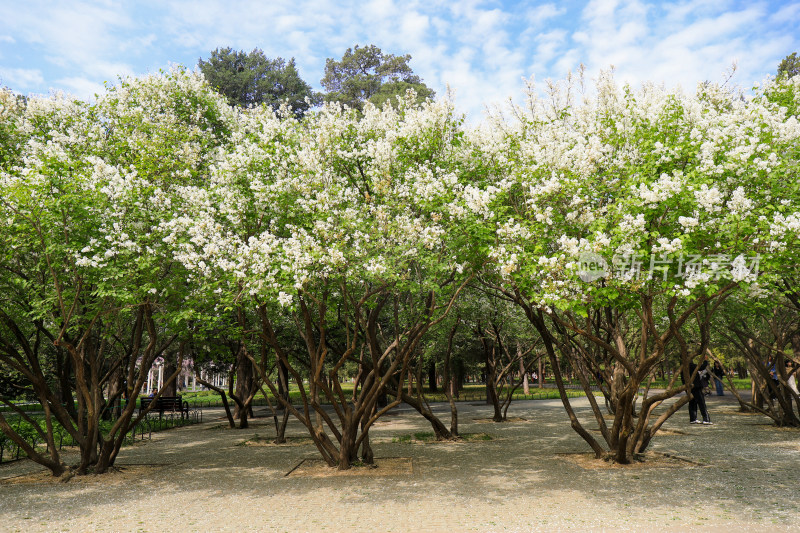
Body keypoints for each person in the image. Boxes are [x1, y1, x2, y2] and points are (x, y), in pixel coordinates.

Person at [684, 359, 712, 424]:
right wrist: (705, 360)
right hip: (696, 386)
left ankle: (693, 418)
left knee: (692, 402)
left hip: (689, 387)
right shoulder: (690, 365)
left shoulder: (683, 366)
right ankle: (706, 419)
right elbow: (701, 367)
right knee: (701, 402)